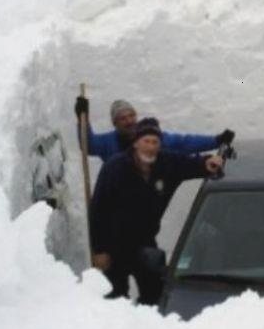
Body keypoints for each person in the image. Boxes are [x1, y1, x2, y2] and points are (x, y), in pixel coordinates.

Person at [89, 117, 230, 304]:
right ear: (136, 143)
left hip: (145, 243)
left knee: (154, 295)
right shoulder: (115, 167)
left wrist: (206, 163)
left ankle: (147, 324)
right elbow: (98, 209)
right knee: (115, 298)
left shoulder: (165, 164)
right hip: (114, 246)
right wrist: (99, 250)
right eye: (146, 141)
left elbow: (188, 164)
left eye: (155, 142)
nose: (150, 146)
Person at [75, 96, 234, 162]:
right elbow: (89, 145)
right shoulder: (108, 142)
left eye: (131, 116)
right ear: (115, 123)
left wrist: (216, 140)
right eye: (123, 118)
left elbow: (184, 143)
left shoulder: (150, 138)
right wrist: (83, 119)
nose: (129, 121)